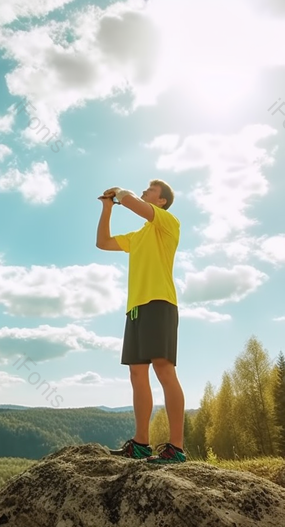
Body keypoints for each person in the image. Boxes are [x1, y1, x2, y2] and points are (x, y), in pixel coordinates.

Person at [95, 181, 186, 464]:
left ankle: (176, 448)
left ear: (161, 201)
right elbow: (103, 242)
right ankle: (141, 444)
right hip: (135, 308)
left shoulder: (167, 223)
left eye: (151, 189)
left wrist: (121, 193)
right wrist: (107, 208)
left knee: (164, 370)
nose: (145, 190)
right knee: (137, 373)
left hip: (160, 303)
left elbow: (135, 204)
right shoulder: (138, 236)